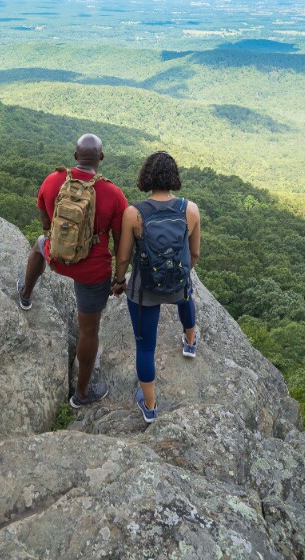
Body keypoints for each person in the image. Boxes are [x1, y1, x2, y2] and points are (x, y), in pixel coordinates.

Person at [17, 134, 127, 409]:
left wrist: (61, 244)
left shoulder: (54, 180)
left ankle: (26, 295)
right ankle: (81, 394)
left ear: (75, 155)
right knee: (89, 332)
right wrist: (119, 277)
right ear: (100, 159)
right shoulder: (113, 194)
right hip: (93, 273)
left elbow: (44, 221)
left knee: (39, 244)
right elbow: (120, 239)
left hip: (56, 257)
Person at [112, 151, 200, 423]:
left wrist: (118, 281)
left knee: (146, 348)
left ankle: (150, 406)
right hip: (178, 282)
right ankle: (190, 342)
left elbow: (124, 257)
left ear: (146, 176)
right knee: (186, 297)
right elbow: (194, 254)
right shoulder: (191, 209)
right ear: (174, 177)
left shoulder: (133, 213)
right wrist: (182, 274)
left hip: (145, 289)